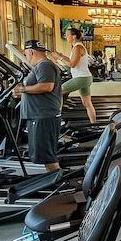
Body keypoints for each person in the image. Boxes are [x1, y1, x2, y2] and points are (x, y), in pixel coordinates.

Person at [13, 39, 62, 172]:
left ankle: (59, 185)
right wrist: (22, 93)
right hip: (40, 115)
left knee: (47, 157)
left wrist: (23, 90)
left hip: (43, 116)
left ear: (30, 51)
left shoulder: (44, 65)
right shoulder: (43, 66)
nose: (26, 57)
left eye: (26, 54)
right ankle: (56, 182)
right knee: (45, 156)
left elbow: (47, 86)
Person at [51, 27, 97, 124]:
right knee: (87, 103)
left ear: (74, 36)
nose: (66, 37)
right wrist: (62, 56)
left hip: (81, 78)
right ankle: (94, 124)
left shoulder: (78, 47)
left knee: (57, 92)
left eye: (67, 35)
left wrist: (59, 57)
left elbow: (72, 64)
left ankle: (57, 120)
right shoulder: (76, 47)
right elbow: (73, 61)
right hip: (85, 77)